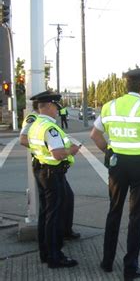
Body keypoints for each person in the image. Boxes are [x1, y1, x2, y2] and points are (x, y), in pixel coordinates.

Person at [90, 68, 140, 279]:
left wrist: (109, 151)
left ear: (126, 86)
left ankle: (107, 261)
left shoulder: (110, 106)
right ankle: (130, 267)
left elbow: (94, 135)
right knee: (137, 215)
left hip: (117, 165)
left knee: (114, 210)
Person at [26, 91, 81, 268]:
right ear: (49, 106)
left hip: (42, 170)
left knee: (45, 213)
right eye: (56, 107)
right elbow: (57, 153)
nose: (57, 111)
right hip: (52, 173)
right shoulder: (49, 128)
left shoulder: (35, 124)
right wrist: (71, 151)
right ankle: (55, 256)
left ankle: (45, 252)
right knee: (54, 215)